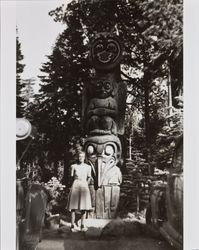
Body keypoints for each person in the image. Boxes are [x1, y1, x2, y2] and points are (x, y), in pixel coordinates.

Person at [67, 151, 92, 232]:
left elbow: (89, 177)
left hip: (84, 185)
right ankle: (72, 225)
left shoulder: (88, 167)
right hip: (75, 185)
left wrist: (85, 184)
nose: (81, 158)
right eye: (79, 156)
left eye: (82, 156)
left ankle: (82, 224)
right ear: (77, 157)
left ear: (85, 157)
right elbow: (70, 178)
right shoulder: (73, 166)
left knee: (83, 207)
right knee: (73, 207)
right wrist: (72, 185)